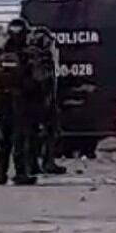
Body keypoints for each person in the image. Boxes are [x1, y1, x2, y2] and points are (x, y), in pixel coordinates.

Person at [0, 19, 38, 186]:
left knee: (4, 138)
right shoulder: (28, 54)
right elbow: (36, 81)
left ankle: (1, 174)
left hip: (2, 101)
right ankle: (21, 174)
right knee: (19, 139)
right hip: (21, 101)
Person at [27, 26, 66, 176]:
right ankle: (47, 162)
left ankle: (33, 164)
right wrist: (49, 101)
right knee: (50, 132)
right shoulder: (43, 58)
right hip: (42, 101)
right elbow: (45, 81)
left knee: (32, 135)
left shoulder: (27, 56)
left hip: (28, 103)